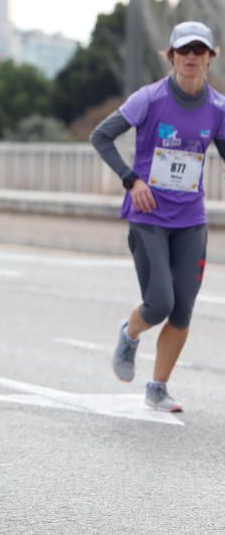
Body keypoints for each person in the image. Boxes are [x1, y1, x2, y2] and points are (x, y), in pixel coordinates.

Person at [91, 21, 225, 413]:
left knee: (182, 309)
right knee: (159, 302)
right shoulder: (149, 99)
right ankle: (130, 333)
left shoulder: (217, 108)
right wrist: (131, 180)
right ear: (171, 56)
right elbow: (101, 135)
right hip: (149, 217)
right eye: (183, 51)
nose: (190, 58)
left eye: (199, 51)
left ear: (210, 59)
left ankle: (158, 387)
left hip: (191, 220)